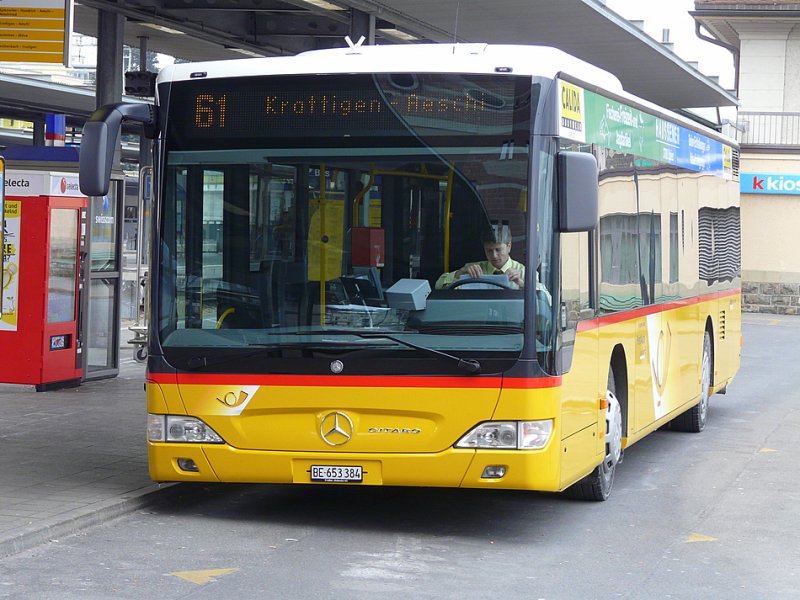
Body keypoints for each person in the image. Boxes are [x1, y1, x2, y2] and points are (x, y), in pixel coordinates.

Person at [435, 224, 551, 303]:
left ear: (509, 246)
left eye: (498, 250)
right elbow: (438, 286)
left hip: (513, 326)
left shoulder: (524, 272)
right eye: (489, 250)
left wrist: (521, 283)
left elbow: (547, 300)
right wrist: (459, 274)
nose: (494, 255)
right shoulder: (473, 269)